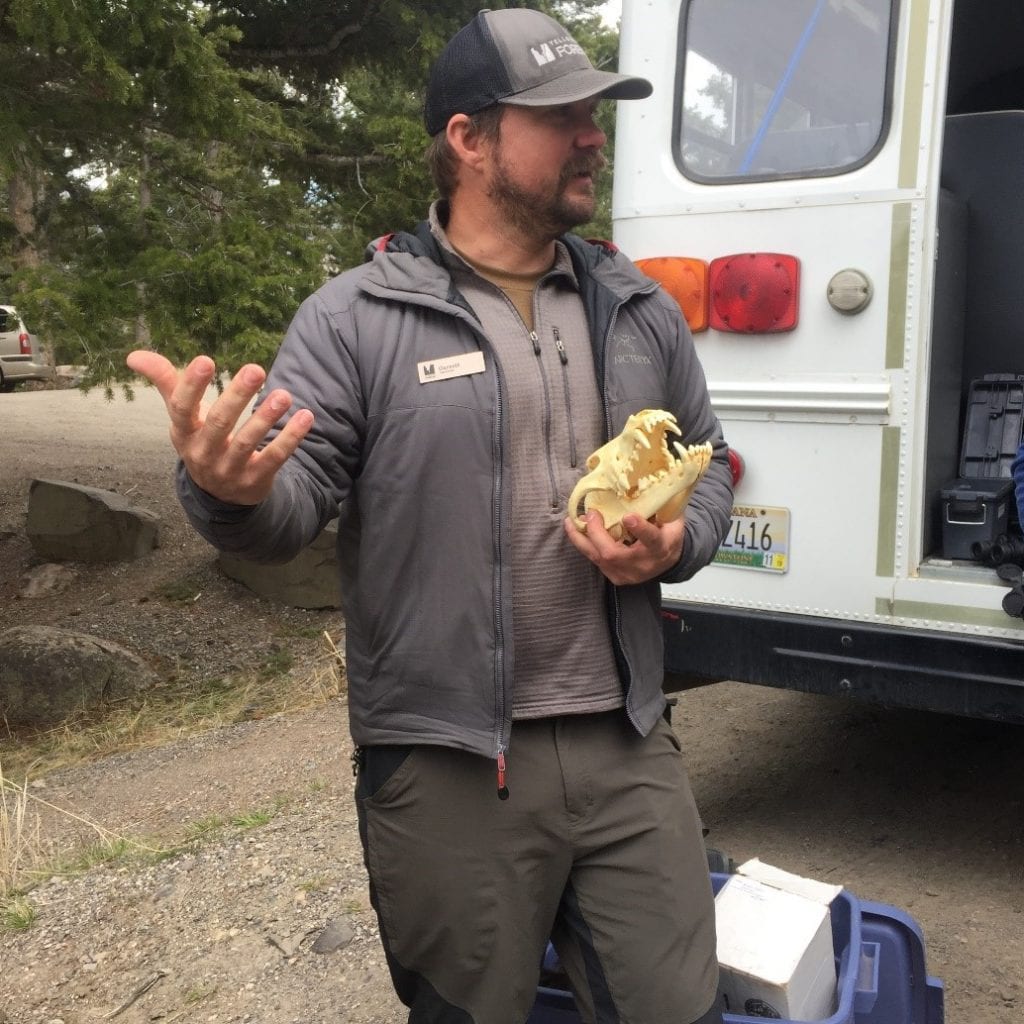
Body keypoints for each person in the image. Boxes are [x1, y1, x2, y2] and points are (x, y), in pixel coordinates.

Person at [128, 8, 733, 1023]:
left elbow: (712, 473)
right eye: (562, 116)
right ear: (468, 138)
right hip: (451, 763)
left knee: (683, 1010)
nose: (594, 135)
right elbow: (288, 508)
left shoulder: (637, 307)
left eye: (596, 113)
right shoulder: (354, 316)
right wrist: (227, 490)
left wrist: (678, 539)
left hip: (627, 744)